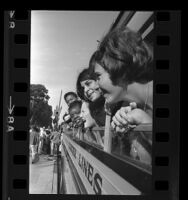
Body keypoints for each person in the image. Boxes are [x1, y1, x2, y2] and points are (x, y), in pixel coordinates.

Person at [91, 27, 153, 132]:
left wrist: (145, 121)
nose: (96, 86)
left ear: (118, 64)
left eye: (98, 76)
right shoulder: (138, 106)